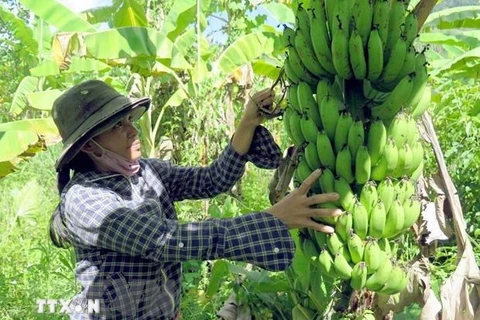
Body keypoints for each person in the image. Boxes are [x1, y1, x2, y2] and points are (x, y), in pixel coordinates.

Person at [49, 79, 341, 320]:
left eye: (128, 119)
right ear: (89, 145)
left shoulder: (147, 172)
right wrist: (272, 220)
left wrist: (247, 124)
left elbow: (210, 180)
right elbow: (164, 240)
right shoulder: (85, 200)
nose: (132, 129)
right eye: (116, 126)